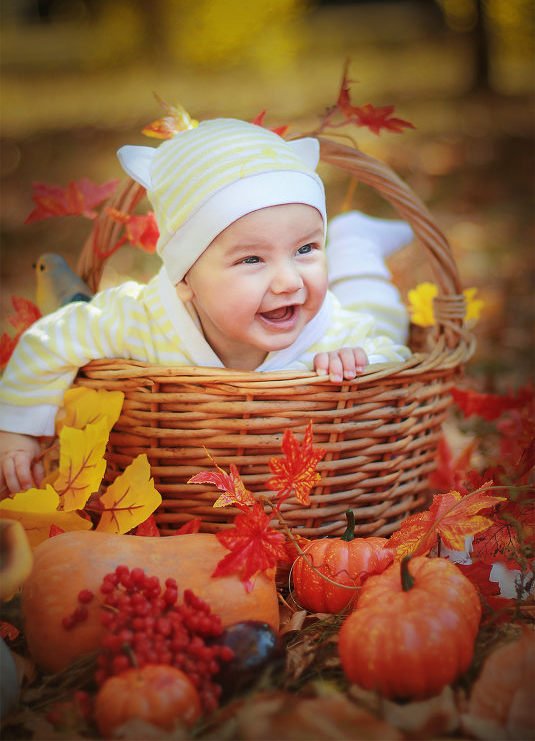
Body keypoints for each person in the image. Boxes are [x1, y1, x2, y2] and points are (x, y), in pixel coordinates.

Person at [0, 118, 412, 494]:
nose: (289, 281)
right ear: (184, 280)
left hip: (356, 316)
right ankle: (347, 241)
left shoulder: (329, 327)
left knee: (381, 314)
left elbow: (398, 358)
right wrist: (18, 428)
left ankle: (355, 244)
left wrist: (362, 357)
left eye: (306, 248)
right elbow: (55, 335)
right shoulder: (140, 318)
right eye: (252, 259)